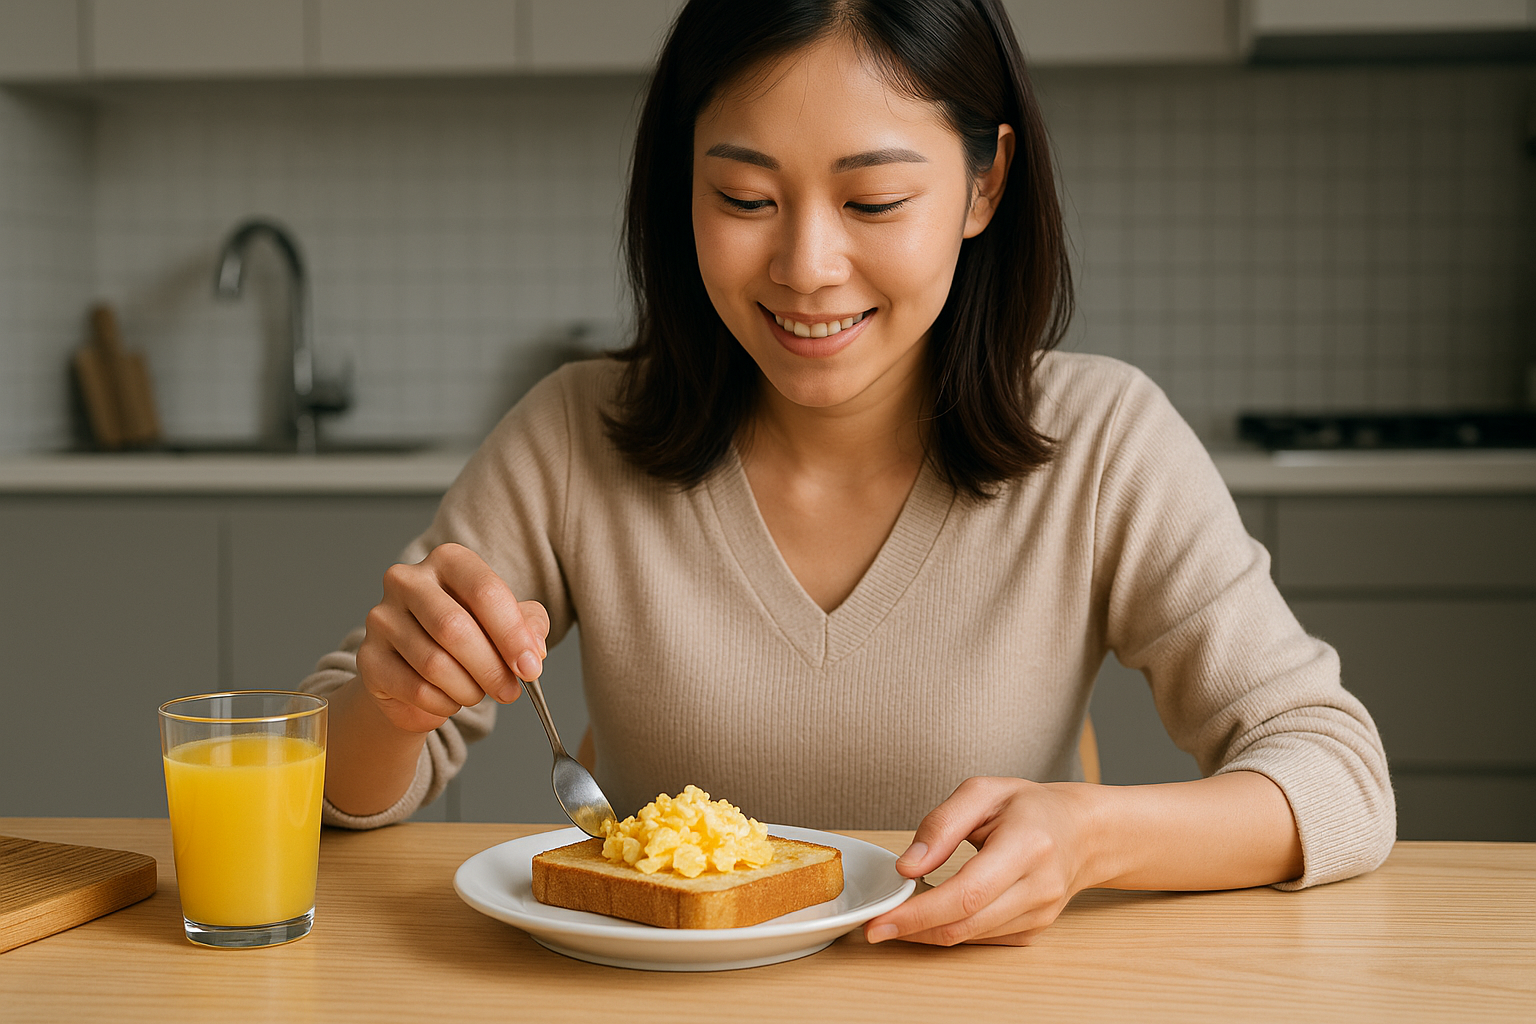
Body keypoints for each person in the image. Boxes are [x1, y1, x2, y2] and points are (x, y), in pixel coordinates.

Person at [300, 0, 1394, 947]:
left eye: (872, 203)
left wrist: (1092, 834)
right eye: (742, 199)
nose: (806, 268)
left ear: (983, 184)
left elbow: (1338, 776)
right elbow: (313, 789)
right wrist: (392, 704)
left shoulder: (1101, 440)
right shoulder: (576, 434)